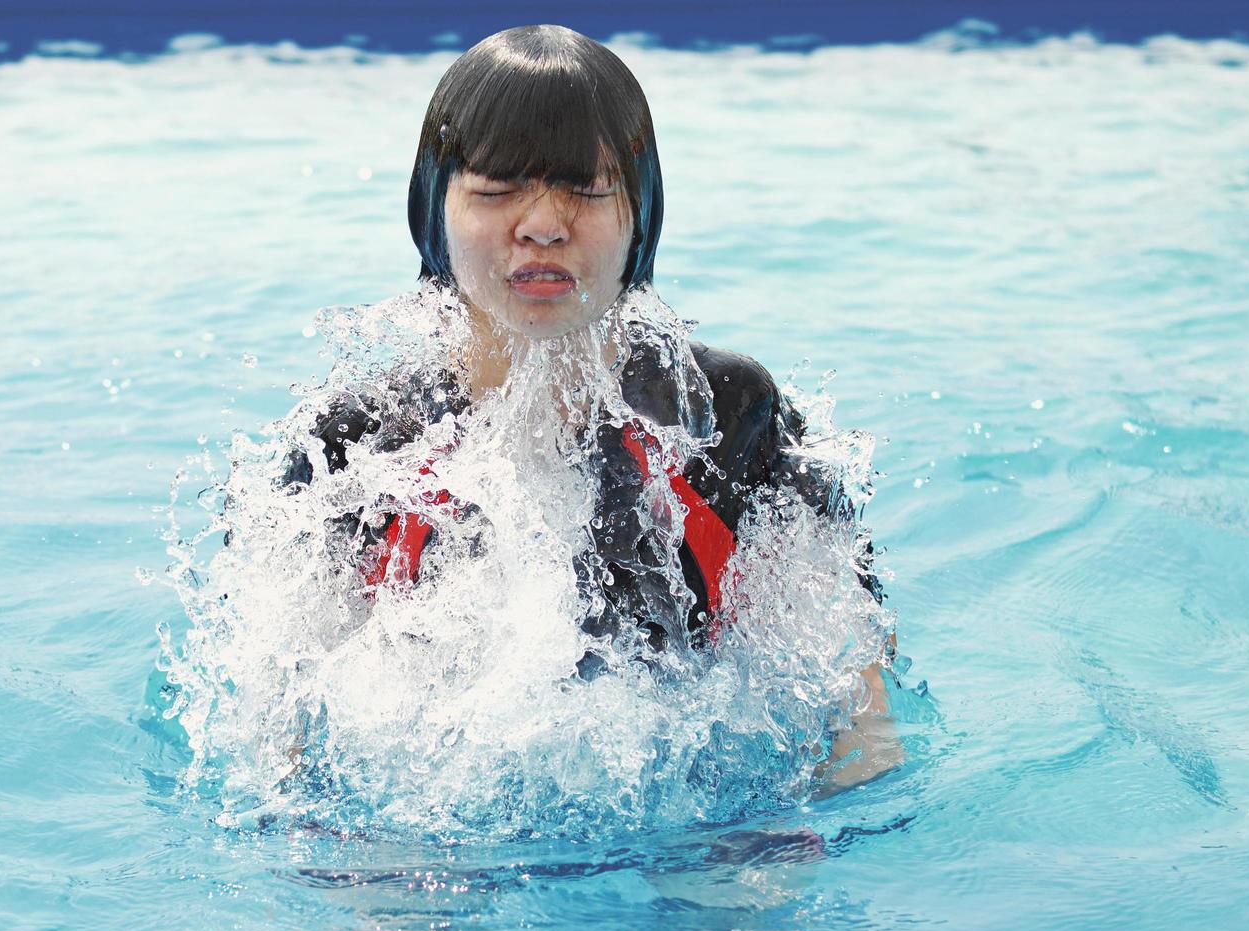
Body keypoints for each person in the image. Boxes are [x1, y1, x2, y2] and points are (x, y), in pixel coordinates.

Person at [285, 24, 901, 787]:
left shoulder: (724, 419)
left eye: (586, 189)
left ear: (640, 215)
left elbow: (857, 711)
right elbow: (278, 731)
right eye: (497, 189)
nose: (543, 226)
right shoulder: (355, 449)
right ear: (433, 211)